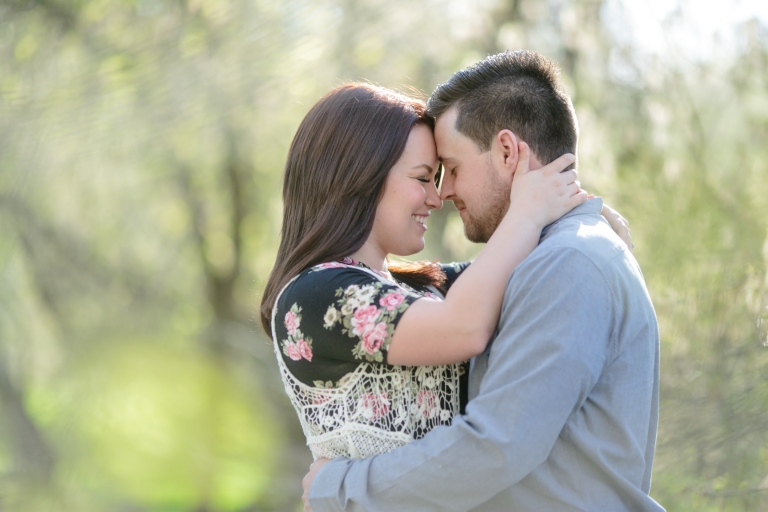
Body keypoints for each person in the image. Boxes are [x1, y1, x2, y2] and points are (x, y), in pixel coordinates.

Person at [302, 51, 663, 511]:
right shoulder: (553, 255)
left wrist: (340, 488)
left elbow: (497, 445)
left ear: (508, 151)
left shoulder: (567, 262)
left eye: (451, 168)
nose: (444, 192)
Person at [259, 82, 596, 463]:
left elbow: (518, 269)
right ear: (359, 177)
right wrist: (527, 212)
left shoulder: (413, 288)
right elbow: (464, 328)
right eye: (423, 178)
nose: (437, 199)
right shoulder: (314, 296)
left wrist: (580, 222)